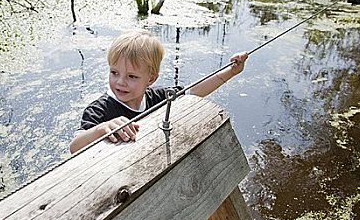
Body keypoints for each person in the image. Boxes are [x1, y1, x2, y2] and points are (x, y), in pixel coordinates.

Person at [69, 29, 248, 154]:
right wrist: (100, 130)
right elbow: (74, 147)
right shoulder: (99, 110)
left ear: (151, 79)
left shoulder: (159, 98)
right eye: (114, 72)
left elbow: (195, 91)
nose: (120, 82)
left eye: (132, 76)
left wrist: (231, 72)